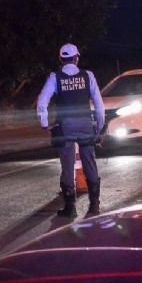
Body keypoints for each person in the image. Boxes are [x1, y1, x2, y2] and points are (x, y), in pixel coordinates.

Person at [37, 43, 105, 218]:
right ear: (76, 58)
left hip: (65, 126)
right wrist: (99, 125)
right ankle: (94, 206)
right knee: (89, 162)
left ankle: (70, 207)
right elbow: (99, 104)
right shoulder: (88, 76)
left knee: (67, 167)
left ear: (61, 59)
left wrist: (45, 123)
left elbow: (42, 102)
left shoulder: (55, 77)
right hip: (85, 125)